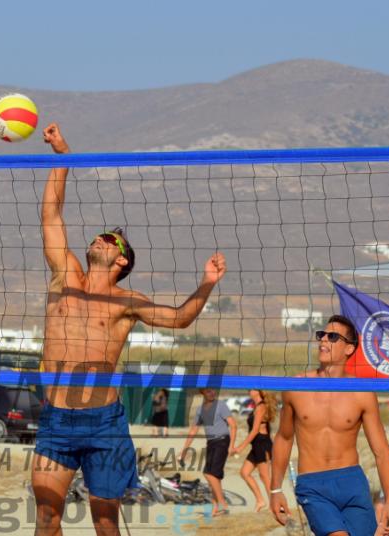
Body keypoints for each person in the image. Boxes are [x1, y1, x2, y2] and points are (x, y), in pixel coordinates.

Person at [31, 123, 226, 535]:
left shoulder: (127, 301)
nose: (98, 240)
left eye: (109, 240)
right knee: (47, 517)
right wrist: (62, 158)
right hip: (57, 418)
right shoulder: (64, 275)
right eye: (98, 236)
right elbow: (51, 214)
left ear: (122, 261)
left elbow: (180, 318)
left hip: (103, 421)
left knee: (105, 523)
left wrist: (207, 283)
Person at [270, 315, 389, 536]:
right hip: (313, 483)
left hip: (352, 481)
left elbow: (381, 451)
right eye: (322, 335)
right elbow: (284, 437)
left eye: (332, 337)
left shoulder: (362, 393)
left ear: (349, 348)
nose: (323, 340)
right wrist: (275, 489)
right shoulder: (296, 387)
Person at [180, 388, 237, 517]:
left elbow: (233, 425)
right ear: (202, 392)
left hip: (222, 441)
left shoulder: (221, 405)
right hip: (211, 443)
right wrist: (184, 450)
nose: (212, 393)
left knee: (209, 474)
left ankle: (223, 504)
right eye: (208, 391)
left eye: (213, 391)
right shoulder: (200, 410)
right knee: (214, 477)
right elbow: (193, 430)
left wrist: (231, 446)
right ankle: (215, 507)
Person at [230, 389, 276, 512]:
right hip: (256, 445)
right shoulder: (256, 407)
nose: (249, 391)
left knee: (265, 476)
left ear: (257, 392)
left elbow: (255, 431)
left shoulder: (261, 407)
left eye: (251, 389)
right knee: (244, 473)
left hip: (263, 444)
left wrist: (240, 447)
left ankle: (274, 504)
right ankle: (260, 500)